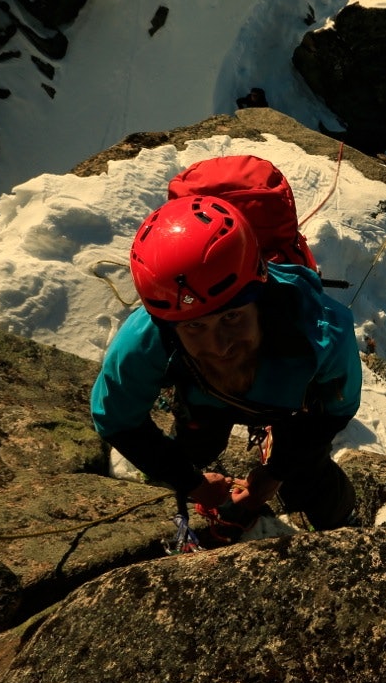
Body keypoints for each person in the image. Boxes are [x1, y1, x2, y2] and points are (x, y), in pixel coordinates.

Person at [90, 195, 362, 539]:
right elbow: (115, 419)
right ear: (168, 324)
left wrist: (277, 471)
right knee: (196, 448)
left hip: (278, 404)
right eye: (195, 327)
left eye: (231, 317)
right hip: (212, 399)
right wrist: (190, 481)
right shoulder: (145, 341)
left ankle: (341, 523)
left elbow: (332, 414)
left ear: (259, 293)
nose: (219, 347)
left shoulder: (323, 332)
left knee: (306, 471)